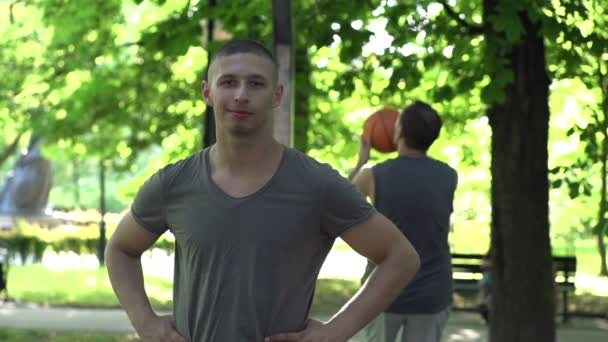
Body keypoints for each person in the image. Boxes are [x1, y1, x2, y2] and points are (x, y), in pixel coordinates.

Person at [105, 39, 420, 342]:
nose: (241, 95)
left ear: (277, 95)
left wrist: (335, 332)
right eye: (228, 82)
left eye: (256, 84)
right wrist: (145, 323)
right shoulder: (173, 184)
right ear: (207, 92)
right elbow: (120, 249)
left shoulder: (318, 186)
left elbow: (400, 257)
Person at [350, 101, 458, 342]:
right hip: (432, 290)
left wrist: (362, 159)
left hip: (382, 290)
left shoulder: (372, 174)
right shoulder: (449, 176)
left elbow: (340, 202)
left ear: (398, 132)